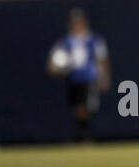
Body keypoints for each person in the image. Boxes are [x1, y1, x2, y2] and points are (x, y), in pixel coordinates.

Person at [47, 8, 111, 142]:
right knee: (77, 107)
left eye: (79, 22)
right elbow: (54, 60)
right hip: (73, 78)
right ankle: (82, 134)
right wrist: (55, 68)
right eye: (75, 23)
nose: (77, 25)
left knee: (87, 107)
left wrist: (103, 77)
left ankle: (84, 135)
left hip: (89, 77)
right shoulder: (66, 41)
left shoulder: (93, 39)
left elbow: (101, 59)